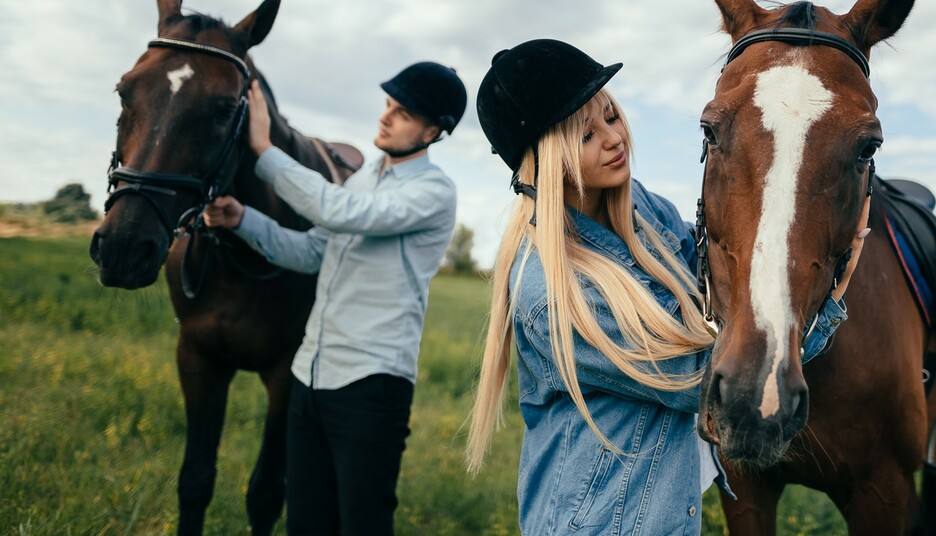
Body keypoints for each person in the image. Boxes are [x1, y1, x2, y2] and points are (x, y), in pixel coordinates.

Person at [465, 39, 869, 534]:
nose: (614, 139)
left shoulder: (643, 210)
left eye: (611, 116)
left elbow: (709, 284)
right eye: (586, 135)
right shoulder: (550, 290)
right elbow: (699, 379)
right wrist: (825, 309)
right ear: (546, 160)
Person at [202, 62, 465, 535]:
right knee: (305, 524)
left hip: (370, 387)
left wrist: (265, 150)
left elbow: (336, 211)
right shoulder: (363, 180)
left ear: (433, 131)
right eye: (387, 105)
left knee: (361, 526)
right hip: (309, 378)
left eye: (401, 112)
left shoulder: (434, 192)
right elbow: (309, 252)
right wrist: (243, 219)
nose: (385, 117)